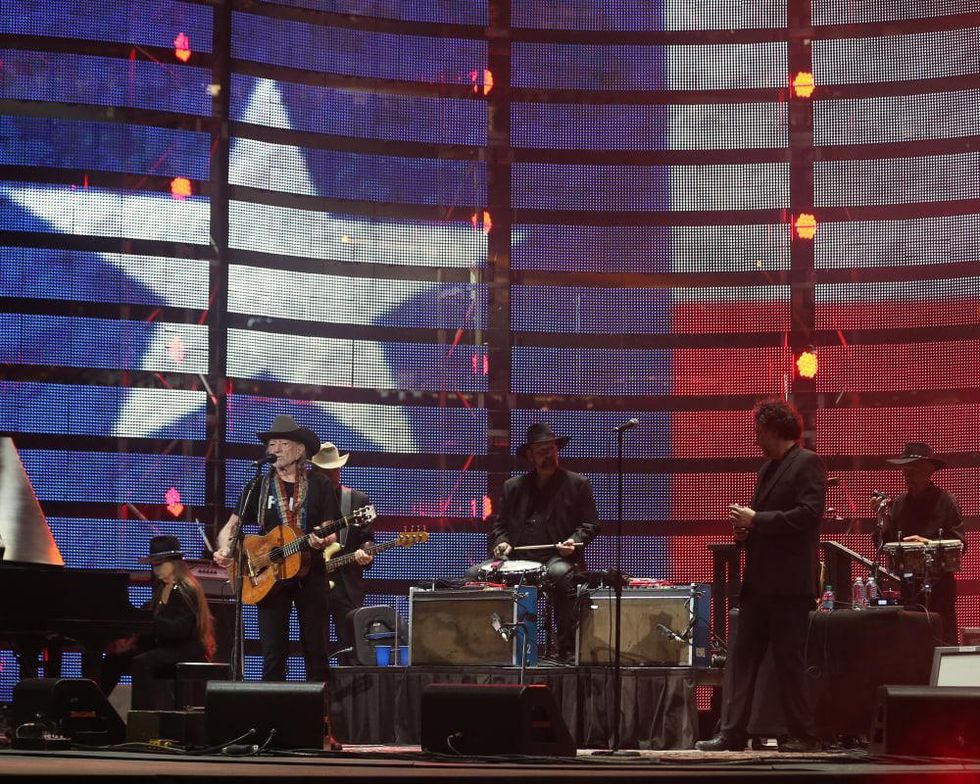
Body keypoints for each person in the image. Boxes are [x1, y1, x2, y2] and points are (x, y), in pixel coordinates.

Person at [697, 398, 826, 753]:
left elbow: (808, 516)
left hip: (789, 587)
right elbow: (764, 523)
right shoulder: (766, 469)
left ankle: (804, 735)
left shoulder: (808, 463)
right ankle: (732, 733)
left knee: (789, 663)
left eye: (758, 431)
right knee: (742, 663)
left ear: (773, 428)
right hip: (758, 584)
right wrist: (746, 533)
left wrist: (757, 520)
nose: (755, 439)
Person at [214, 414, 338, 682]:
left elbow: (332, 528)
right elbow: (232, 526)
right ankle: (273, 716)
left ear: (300, 449)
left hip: (310, 574)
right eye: (271, 444)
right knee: (272, 654)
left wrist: (322, 538)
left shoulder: (320, 484)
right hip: (269, 576)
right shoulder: (258, 485)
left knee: (316, 651)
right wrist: (225, 549)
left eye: (282, 443)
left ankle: (320, 716)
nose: (275, 449)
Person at [471, 422, 598, 663]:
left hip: (557, 558)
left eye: (551, 449)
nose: (548, 455)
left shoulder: (577, 484)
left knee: (561, 575)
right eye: (542, 451)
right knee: (473, 575)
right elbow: (499, 527)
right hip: (516, 560)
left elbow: (589, 525)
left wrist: (573, 541)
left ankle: (567, 650)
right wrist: (502, 543)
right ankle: (487, 649)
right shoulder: (514, 487)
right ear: (530, 455)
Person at [101, 535, 216, 709]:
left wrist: (150, 619)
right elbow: (157, 625)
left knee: (142, 663)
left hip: (185, 649)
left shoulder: (186, 590)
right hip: (166, 646)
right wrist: (130, 642)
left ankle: (145, 719)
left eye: (160, 564)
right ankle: (94, 710)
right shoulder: (161, 587)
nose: (156, 570)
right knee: (114, 659)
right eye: (154, 565)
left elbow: (179, 630)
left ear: (175, 563)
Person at [876, 442, 966, 646]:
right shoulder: (897, 505)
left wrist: (928, 544)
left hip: (940, 587)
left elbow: (961, 544)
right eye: (905, 471)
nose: (908, 477)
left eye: (913, 471)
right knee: (910, 644)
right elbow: (882, 544)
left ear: (929, 472)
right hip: (907, 587)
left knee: (943, 639)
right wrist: (881, 519)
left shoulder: (947, 502)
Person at [309, 443, 375, 664]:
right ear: (315, 473)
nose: (333, 475)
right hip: (313, 583)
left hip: (346, 586)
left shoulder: (356, 501)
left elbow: (368, 539)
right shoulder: (306, 502)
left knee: (350, 648)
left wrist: (366, 554)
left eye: (336, 469)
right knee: (315, 647)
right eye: (327, 471)